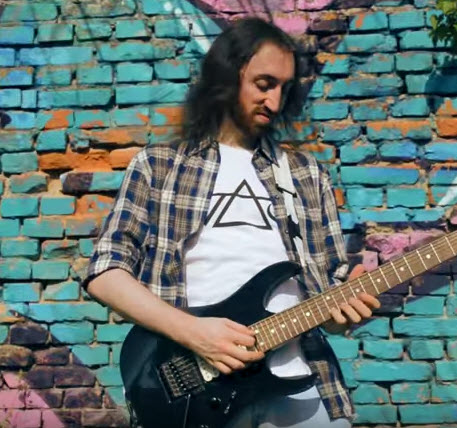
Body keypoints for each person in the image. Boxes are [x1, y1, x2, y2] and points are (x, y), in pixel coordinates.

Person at [83, 17, 380, 428]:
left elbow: (327, 295)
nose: (274, 103)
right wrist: (192, 332)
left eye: (284, 89)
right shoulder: (160, 167)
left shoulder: (307, 176)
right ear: (227, 75)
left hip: (303, 387)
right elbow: (104, 273)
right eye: (264, 84)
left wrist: (347, 309)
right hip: (197, 392)